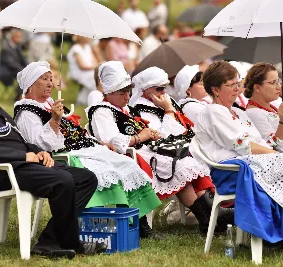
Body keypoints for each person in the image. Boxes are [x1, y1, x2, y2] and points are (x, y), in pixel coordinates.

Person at [0, 42, 106, 259]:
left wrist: (39, 151)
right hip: (0, 172)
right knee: (63, 180)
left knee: (85, 178)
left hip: (23, 165)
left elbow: (16, 134)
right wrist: (21, 156)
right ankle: (67, 242)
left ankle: (50, 240)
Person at [14, 61, 162, 238]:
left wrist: (98, 143)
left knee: (126, 164)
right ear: (30, 85)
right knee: (107, 170)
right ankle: (96, 225)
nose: (49, 83)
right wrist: (54, 121)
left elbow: (77, 131)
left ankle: (139, 223)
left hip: (84, 148)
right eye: (44, 79)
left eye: (51, 79)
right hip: (65, 156)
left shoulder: (51, 104)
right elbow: (38, 145)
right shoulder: (27, 111)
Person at [88, 61, 233, 234]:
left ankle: (208, 218)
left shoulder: (125, 109)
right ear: (109, 92)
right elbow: (112, 141)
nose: (127, 97)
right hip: (130, 157)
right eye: (122, 93)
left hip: (149, 152)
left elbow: (161, 132)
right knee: (180, 165)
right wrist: (142, 136)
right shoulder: (102, 110)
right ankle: (207, 218)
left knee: (184, 165)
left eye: (128, 92)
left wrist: (149, 133)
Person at [194, 61, 283, 258]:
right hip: (232, 172)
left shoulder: (239, 112)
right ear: (216, 89)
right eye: (231, 85)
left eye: (238, 83)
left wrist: (279, 136)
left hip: (250, 164)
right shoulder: (213, 111)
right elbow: (242, 145)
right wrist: (276, 155)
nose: (238, 88)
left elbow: (264, 143)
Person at [244, 63, 283, 152]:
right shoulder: (254, 113)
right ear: (257, 88)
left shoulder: (274, 106)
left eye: (278, 82)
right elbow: (274, 148)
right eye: (273, 83)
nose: (279, 87)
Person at [67, 35, 98, 105]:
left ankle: (82, 100)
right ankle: (92, 100)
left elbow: (94, 61)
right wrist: (94, 68)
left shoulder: (87, 47)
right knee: (96, 78)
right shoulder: (76, 49)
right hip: (79, 72)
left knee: (98, 76)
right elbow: (82, 66)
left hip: (89, 71)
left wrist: (97, 67)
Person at [0, 28, 27, 99]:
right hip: (6, 72)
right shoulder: (5, 48)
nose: (20, 39)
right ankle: (19, 96)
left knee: (28, 73)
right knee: (24, 74)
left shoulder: (18, 47)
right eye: (18, 37)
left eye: (20, 37)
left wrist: (30, 67)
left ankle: (21, 95)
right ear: (12, 37)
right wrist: (23, 70)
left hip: (15, 71)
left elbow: (23, 60)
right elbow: (10, 63)